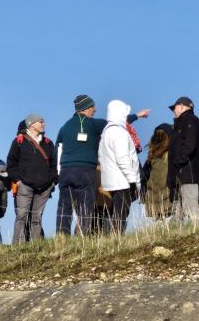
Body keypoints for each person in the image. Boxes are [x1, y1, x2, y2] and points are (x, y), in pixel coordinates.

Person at [55, 95, 149, 236]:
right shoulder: (93, 124)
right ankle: (83, 236)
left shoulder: (64, 127)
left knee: (64, 205)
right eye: (93, 107)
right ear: (86, 108)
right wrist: (137, 115)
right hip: (86, 171)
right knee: (85, 205)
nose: (95, 110)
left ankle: (62, 236)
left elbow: (58, 149)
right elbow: (116, 123)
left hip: (65, 171)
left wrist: (59, 172)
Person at [7, 113, 57, 243]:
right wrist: (18, 181)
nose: (43, 124)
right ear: (31, 124)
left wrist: (52, 182)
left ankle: (36, 247)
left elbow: (54, 165)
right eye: (40, 121)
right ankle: (17, 246)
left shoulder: (48, 143)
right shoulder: (19, 141)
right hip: (25, 186)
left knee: (37, 218)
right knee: (21, 216)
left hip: (44, 188)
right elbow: (11, 163)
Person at [98, 100, 141, 234]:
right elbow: (123, 159)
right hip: (122, 180)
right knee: (121, 211)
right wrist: (132, 179)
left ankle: (113, 236)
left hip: (112, 179)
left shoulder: (107, 132)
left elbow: (101, 156)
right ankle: (115, 237)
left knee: (117, 210)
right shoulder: (118, 132)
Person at [167, 96, 199, 223]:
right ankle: (184, 236)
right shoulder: (184, 122)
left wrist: (179, 161)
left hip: (188, 172)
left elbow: (190, 144)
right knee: (179, 210)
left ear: (183, 106)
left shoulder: (189, 121)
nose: (173, 111)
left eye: (175, 107)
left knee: (190, 207)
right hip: (182, 172)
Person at [142, 124, 173, 221]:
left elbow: (144, 176)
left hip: (153, 196)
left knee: (159, 224)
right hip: (167, 197)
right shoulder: (171, 153)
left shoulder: (151, 156)